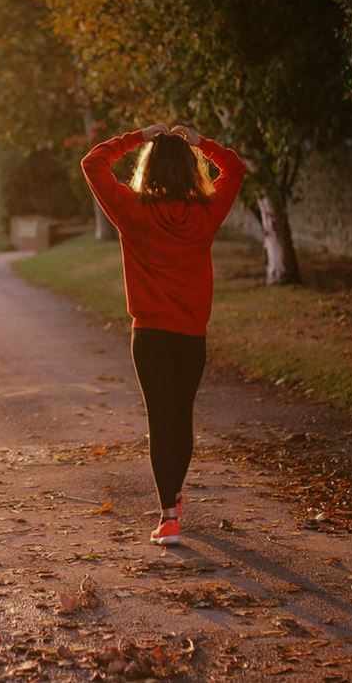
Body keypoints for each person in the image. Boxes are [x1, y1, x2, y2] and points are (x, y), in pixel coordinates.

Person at [80, 122, 247, 546]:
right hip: (191, 335)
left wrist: (138, 136)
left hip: (150, 336)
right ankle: (173, 499)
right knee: (182, 416)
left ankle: (168, 515)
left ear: (148, 170)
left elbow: (93, 163)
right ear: (191, 171)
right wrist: (201, 142)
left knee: (160, 419)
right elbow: (236, 168)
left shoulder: (132, 211)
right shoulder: (206, 213)